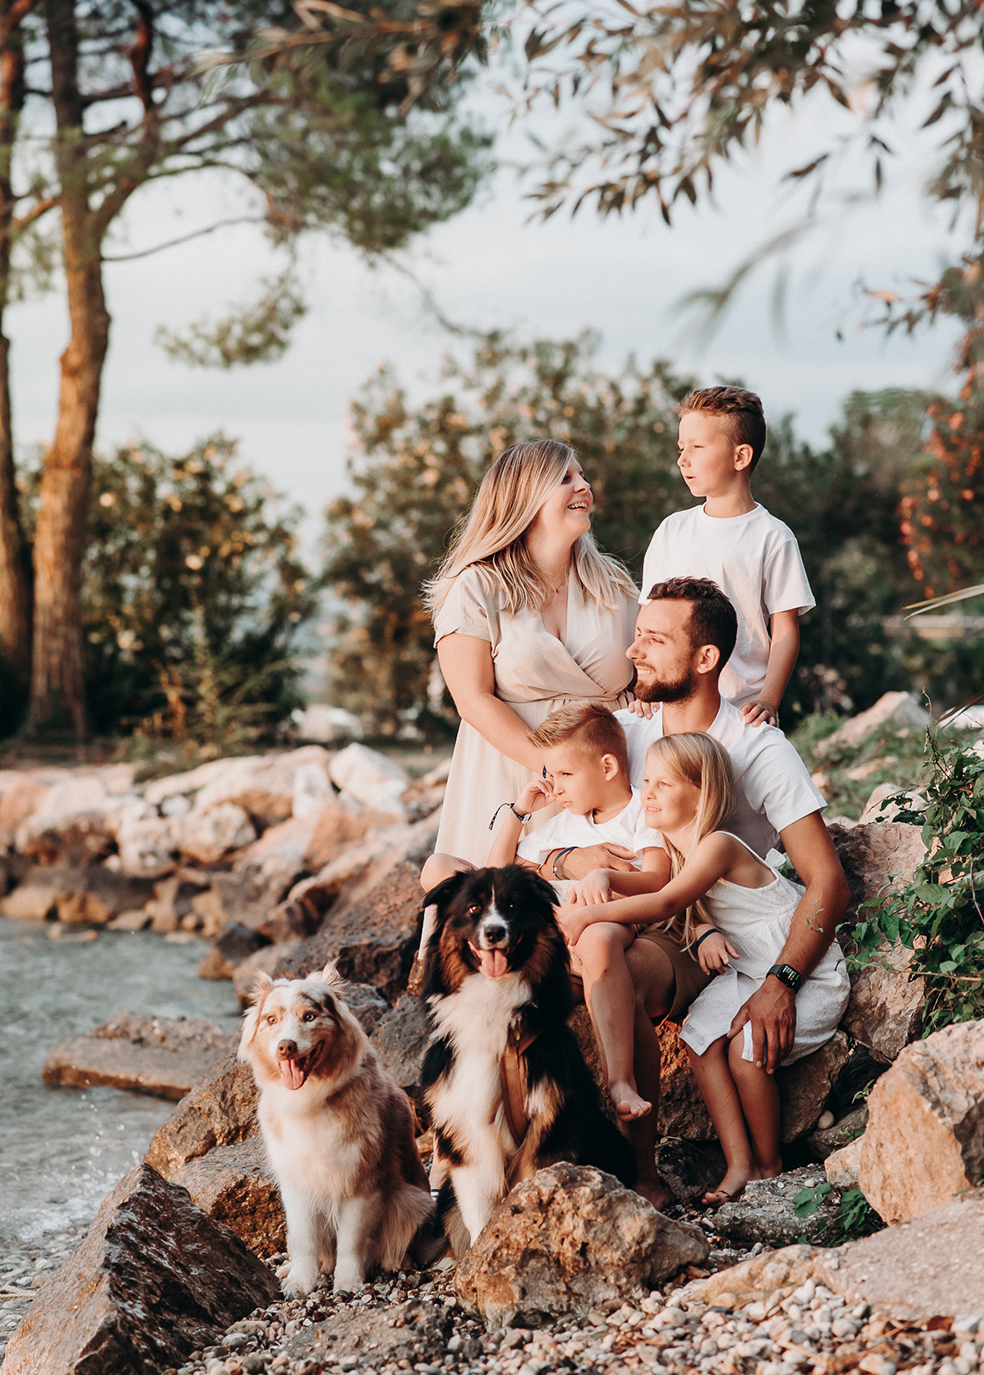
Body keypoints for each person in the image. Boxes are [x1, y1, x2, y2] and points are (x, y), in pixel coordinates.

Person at [537, 576, 851, 1207]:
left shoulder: (757, 748)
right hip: (634, 906)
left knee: (608, 950)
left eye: (654, 639)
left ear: (705, 659)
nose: (633, 651)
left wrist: (781, 982)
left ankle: (644, 1173)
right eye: (637, 635)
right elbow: (552, 822)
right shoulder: (623, 732)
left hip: (704, 940)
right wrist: (577, 858)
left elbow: (827, 881)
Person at [558, 732, 849, 1207]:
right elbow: (687, 914)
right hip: (745, 968)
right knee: (699, 1036)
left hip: (799, 968)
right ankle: (739, 1164)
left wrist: (590, 914)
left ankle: (769, 1165)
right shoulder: (674, 854)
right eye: (646, 780)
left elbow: (669, 900)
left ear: (702, 794)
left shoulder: (718, 845)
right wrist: (702, 932)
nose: (646, 793)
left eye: (663, 785)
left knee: (744, 1053)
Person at [419, 439, 638, 884]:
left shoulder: (613, 583)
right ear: (526, 497)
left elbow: (645, 669)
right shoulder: (476, 588)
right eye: (566, 478)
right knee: (501, 910)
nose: (585, 485)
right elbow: (473, 699)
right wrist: (555, 772)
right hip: (512, 768)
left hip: (606, 768)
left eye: (582, 475)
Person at [480, 702, 673, 1124]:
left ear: (607, 767)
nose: (556, 787)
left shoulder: (644, 808)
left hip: (611, 918)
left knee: (597, 939)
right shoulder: (567, 823)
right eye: (550, 775)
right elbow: (499, 875)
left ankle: (619, 1079)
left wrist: (606, 875)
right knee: (440, 869)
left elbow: (659, 877)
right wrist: (519, 812)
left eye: (564, 774)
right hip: (556, 927)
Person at [640, 386, 814, 726]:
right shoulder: (671, 531)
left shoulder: (773, 537)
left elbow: (785, 633)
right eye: (681, 448)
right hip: (673, 709)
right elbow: (649, 621)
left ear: (741, 457)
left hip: (742, 713)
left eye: (697, 447)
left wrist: (768, 700)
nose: (682, 459)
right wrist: (644, 683)